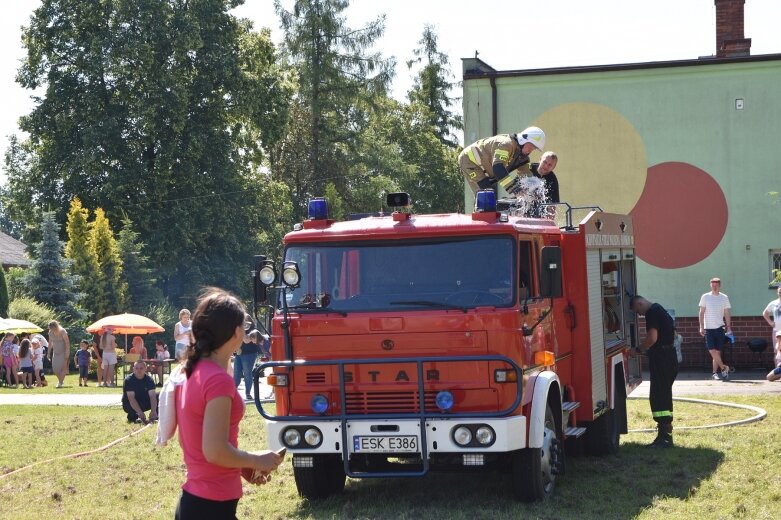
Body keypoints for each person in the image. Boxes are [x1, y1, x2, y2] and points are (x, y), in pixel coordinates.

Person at [175, 288, 282, 519]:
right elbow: (214, 451)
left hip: (200, 502)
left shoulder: (193, 371)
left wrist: (240, 465)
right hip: (211, 506)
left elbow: (196, 441)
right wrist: (255, 459)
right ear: (235, 332)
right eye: (244, 326)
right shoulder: (218, 380)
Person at [630, 295, 679, 448]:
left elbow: (652, 338)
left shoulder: (652, 312)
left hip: (662, 359)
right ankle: (665, 435)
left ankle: (664, 438)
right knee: (663, 395)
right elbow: (674, 334)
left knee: (659, 397)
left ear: (640, 303)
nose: (639, 315)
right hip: (669, 357)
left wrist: (637, 350)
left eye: (637, 311)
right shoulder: (660, 309)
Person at [458, 126, 546, 196]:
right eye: (530, 146)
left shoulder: (522, 157)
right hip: (470, 161)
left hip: (485, 165)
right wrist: (514, 189)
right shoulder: (506, 144)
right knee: (486, 195)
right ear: (523, 139)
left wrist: (534, 189)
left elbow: (526, 175)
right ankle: (480, 216)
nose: (530, 151)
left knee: (489, 195)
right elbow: (498, 168)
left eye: (534, 149)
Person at [698, 277, 732, 380]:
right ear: (710, 285)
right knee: (712, 351)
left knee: (717, 352)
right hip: (708, 328)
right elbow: (701, 312)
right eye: (712, 285)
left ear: (719, 285)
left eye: (716, 285)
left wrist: (729, 327)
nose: (714, 287)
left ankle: (715, 373)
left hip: (720, 328)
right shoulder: (705, 297)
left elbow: (726, 313)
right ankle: (723, 368)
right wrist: (701, 326)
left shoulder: (724, 297)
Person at [233, 322, 260, 401]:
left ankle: (248, 393)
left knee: (247, 374)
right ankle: (232, 391)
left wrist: (242, 329)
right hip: (239, 353)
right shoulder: (239, 329)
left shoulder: (253, 331)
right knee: (236, 373)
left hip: (249, 354)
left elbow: (246, 340)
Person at [47, 320, 70, 388]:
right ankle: (61, 381)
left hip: (64, 352)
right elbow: (50, 343)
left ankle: (60, 383)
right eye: (51, 328)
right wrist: (48, 353)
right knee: (55, 369)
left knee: (63, 368)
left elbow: (67, 343)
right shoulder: (50, 332)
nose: (52, 330)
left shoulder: (62, 331)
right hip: (55, 352)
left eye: (53, 328)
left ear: (56, 326)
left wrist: (67, 352)